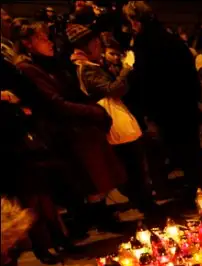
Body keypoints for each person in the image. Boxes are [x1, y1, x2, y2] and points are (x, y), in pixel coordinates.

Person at [14, 18, 126, 232]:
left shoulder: (51, 63)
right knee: (89, 177)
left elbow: (70, 91)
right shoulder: (29, 68)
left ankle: (99, 214)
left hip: (75, 125)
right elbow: (54, 102)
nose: (49, 42)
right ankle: (97, 217)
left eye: (48, 38)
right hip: (63, 130)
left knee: (96, 174)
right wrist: (92, 112)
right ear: (27, 43)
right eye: (42, 39)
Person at [69, 23, 157, 219]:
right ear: (88, 45)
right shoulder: (86, 69)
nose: (99, 47)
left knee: (133, 166)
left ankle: (145, 205)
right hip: (113, 123)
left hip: (115, 119)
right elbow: (113, 89)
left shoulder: (90, 66)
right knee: (132, 166)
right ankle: (146, 208)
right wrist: (126, 69)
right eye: (96, 43)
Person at [124, 1, 202, 204]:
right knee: (190, 148)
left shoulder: (144, 44)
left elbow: (145, 79)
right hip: (185, 103)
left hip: (164, 106)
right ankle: (198, 187)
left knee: (170, 149)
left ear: (136, 21)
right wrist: (194, 98)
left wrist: (146, 109)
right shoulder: (171, 39)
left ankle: (178, 191)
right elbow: (190, 72)